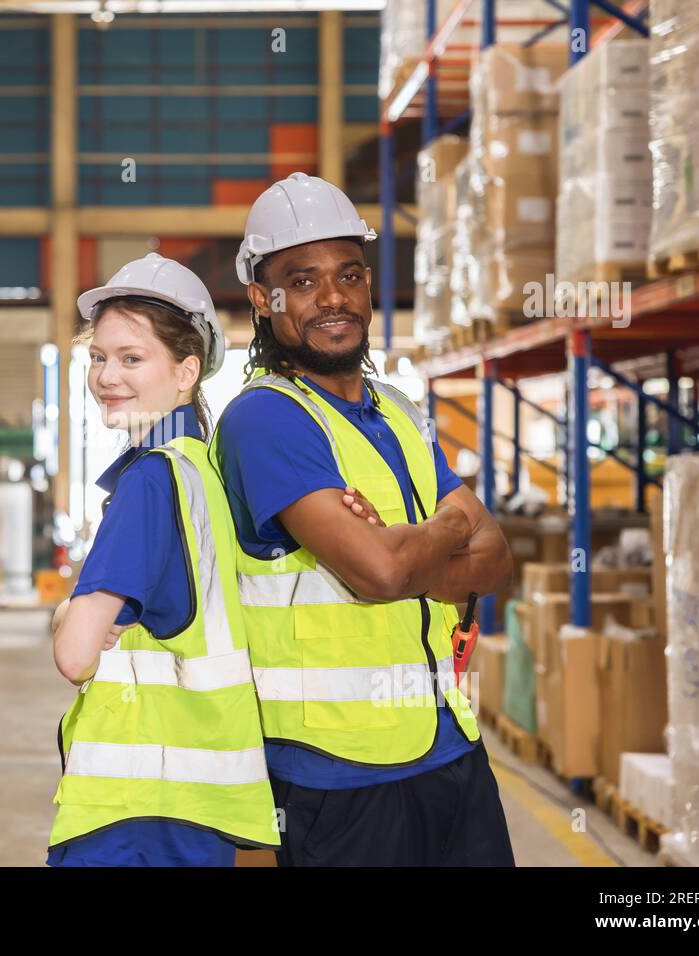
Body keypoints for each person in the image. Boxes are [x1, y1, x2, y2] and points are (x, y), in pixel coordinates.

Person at [212, 172, 517, 866]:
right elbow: (378, 571)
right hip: (336, 779)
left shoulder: (398, 411)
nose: (332, 298)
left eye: (349, 274)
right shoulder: (266, 418)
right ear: (263, 299)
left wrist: (407, 550)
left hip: (449, 749)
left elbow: (497, 562)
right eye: (303, 280)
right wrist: (443, 535)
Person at [46, 253, 278, 867]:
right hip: (193, 807)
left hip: (134, 813)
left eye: (131, 358)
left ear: (185, 372)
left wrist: (71, 614)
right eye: (98, 357)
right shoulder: (199, 467)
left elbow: (75, 656)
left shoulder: (151, 482)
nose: (105, 376)